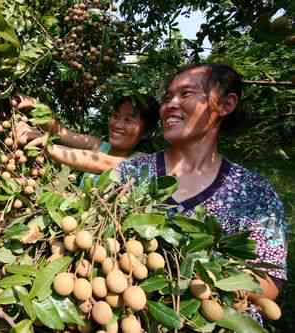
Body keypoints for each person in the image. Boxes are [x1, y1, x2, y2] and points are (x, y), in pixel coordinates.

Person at [116, 64, 287, 304]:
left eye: (185, 94)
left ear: (226, 105)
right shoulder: (130, 173)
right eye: (167, 97)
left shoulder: (255, 192)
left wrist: (194, 274)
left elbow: (269, 282)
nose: (170, 105)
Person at [15, 94, 159, 181]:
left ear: (146, 132)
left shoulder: (143, 163)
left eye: (128, 120)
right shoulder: (98, 146)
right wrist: (35, 108)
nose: (118, 124)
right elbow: (60, 132)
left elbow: (103, 163)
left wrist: (45, 145)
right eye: (115, 116)